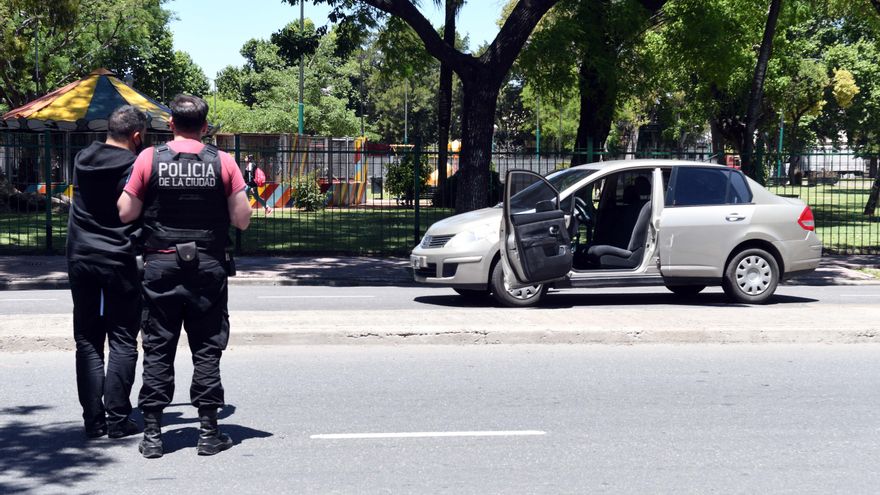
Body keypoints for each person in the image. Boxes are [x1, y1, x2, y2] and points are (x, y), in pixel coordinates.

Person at [118, 94, 252, 458]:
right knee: (207, 348)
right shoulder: (223, 162)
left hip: (160, 266)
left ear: (171, 125)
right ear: (205, 127)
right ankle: (209, 433)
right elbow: (242, 219)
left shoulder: (149, 158)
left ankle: (152, 436)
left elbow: (127, 212)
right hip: (207, 267)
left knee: (158, 346)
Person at [67, 105, 147, 439]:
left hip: (81, 255)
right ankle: (117, 418)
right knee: (123, 338)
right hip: (120, 258)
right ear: (137, 136)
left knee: (87, 339)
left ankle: (93, 421)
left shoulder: (82, 158)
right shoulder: (135, 166)